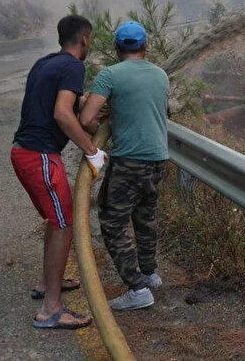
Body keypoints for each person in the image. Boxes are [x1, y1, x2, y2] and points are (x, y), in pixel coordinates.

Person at [12, 14, 107, 329]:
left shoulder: (45, 63)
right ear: (84, 39)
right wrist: (92, 151)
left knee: (57, 219)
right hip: (39, 155)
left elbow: (61, 109)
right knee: (64, 223)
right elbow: (62, 113)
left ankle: (46, 283)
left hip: (23, 153)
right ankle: (51, 309)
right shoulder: (73, 67)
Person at [80, 20, 169, 311]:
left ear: (117, 47)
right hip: (158, 160)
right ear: (145, 46)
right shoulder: (160, 75)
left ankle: (137, 289)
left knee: (112, 222)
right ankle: (150, 273)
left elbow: (85, 119)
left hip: (130, 161)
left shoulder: (110, 75)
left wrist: (99, 125)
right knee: (145, 217)